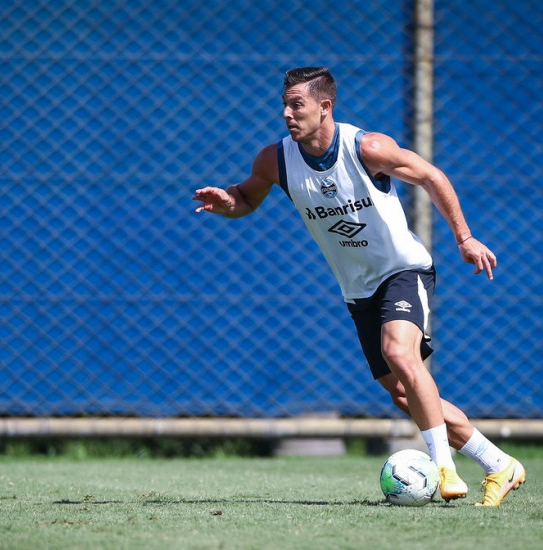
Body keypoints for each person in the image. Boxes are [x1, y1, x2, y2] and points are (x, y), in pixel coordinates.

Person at [192, 67, 525, 506]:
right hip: (358, 290)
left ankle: (443, 468)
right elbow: (247, 197)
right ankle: (499, 464)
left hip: (404, 271)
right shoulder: (276, 159)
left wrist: (464, 238)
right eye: (285, 105)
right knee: (405, 394)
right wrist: (227, 203)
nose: (287, 114)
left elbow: (431, 176)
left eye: (298, 105)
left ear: (325, 106)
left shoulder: (366, 146)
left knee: (399, 352)